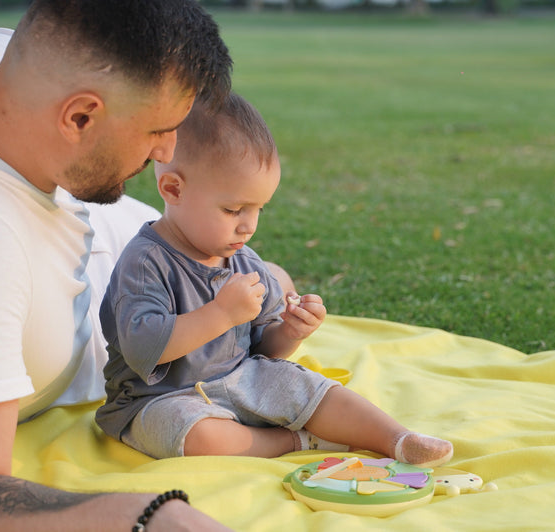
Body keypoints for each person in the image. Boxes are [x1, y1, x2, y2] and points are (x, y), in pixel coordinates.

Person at [0, 1, 235, 530]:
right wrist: (153, 516)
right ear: (79, 117)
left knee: (272, 286)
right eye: (158, 130)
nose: (169, 149)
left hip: (156, 253)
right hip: (145, 330)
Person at [95, 92, 455, 467]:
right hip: (159, 400)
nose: (249, 225)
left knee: (304, 385)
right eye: (233, 209)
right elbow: (143, 349)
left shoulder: (242, 260)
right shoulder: (145, 263)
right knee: (200, 436)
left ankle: (397, 439)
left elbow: (263, 352)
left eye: (258, 209)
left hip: (239, 379)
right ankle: (291, 441)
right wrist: (220, 314)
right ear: (173, 189)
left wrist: (290, 331)